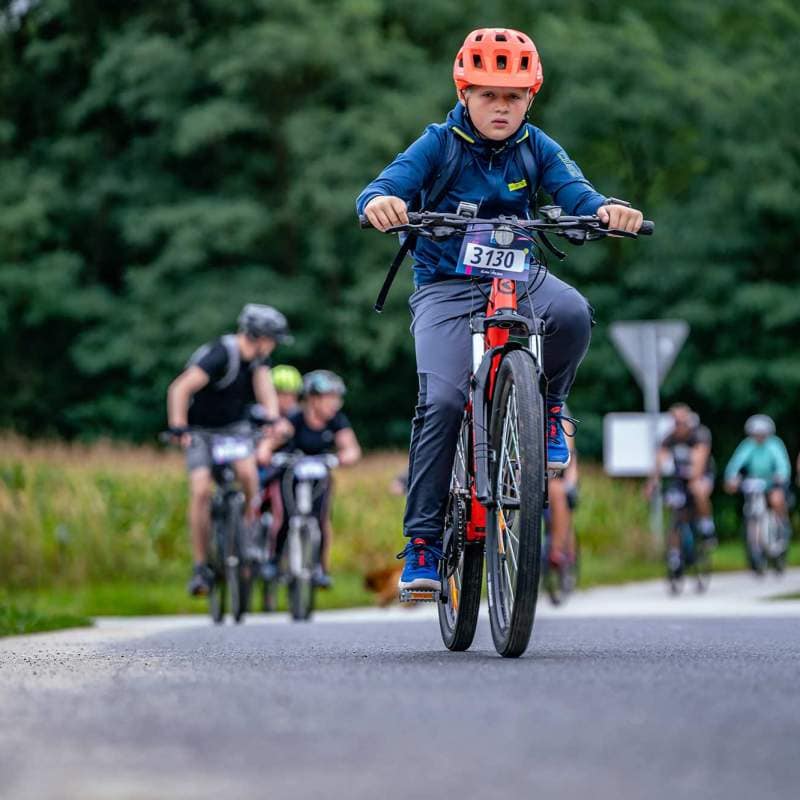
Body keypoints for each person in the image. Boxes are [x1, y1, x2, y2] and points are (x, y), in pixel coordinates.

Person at [356, 27, 644, 593]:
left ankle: (550, 409)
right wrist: (381, 203)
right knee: (441, 401)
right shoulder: (438, 144)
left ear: (530, 99)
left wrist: (608, 210)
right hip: (446, 287)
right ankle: (423, 542)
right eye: (488, 94)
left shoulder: (538, 147)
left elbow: (577, 194)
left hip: (519, 277)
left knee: (573, 313)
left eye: (513, 96)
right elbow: (382, 187)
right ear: (464, 93)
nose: (501, 107)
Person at [167, 304, 291, 596]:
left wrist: (273, 420)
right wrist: (178, 426)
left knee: (248, 474)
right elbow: (179, 389)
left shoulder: (259, 360)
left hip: (234, 429)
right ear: (258, 336)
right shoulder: (220, 354)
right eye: (272, 339)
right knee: (200, 490)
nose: (274, 345)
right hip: (200, 431)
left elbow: (265, 391)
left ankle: (247, 525)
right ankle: (201, 566)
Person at [262, 369, 361, 588]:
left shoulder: (337, 421)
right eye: (330, 397)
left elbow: (352, 449)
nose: (335, 403)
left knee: (321, 519)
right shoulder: (295, 418)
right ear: (313, 399)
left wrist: (341, 458)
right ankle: (274, 560)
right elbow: (268, 445)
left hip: (319, 477)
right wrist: (267, 452)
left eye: (337, 398)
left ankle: (320, 568)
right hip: (290, 476)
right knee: (285, 517)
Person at [646, 403, 716, 542]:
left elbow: (699, 461)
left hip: (702, 474)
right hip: (680, 477)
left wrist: (693, 478)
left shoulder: (698, 435)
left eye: (681, 422)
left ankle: (707, 526)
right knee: (673, 505)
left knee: (698, 490)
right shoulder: (670, 438)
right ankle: (675, 550)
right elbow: (659, 460)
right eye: (676, 422)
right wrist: (652, 481)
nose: (678, 425)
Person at [724, 414, 791, 534]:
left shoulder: (775, 444)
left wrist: (781, 475)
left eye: (762, 434)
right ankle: (751, 534)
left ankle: (783, 527)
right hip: (755, 482)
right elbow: (736, 462)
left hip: (772, 482)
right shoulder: (747, 445)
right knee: (748, 503)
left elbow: (782, 464)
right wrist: (731, 477)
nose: (759, 437)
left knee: (776, 499)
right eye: (756, 434)